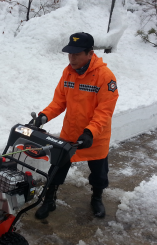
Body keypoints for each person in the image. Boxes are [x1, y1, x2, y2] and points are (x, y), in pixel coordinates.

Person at [32, 32, 119, 220]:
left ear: (89, 53)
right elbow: (59, 101)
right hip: (70, 133)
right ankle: (49, 200)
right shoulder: (68, 72)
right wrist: (43, 116)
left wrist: (90, 132)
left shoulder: (105, 77)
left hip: (94, 137)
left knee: (99, 173)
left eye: (77, 54)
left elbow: (104, 111)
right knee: (57, 168)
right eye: (70, 54)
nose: (72, 58)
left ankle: (97, 198)